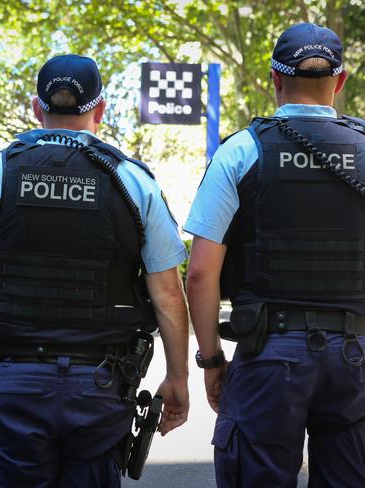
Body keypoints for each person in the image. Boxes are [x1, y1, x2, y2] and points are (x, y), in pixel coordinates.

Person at [0, 54, 190, 487]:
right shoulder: (134, 181)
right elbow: (168, 291)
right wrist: (179, 377)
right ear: (101, 110)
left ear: (38, 109)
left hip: (16, 380)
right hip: (102, 385)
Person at [186, 22, 365, 487]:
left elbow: (201, 274)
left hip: (268, 354)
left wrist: (210, 362)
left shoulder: (242, 151)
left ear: (273, 78)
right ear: (340, 80)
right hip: (355, 358)